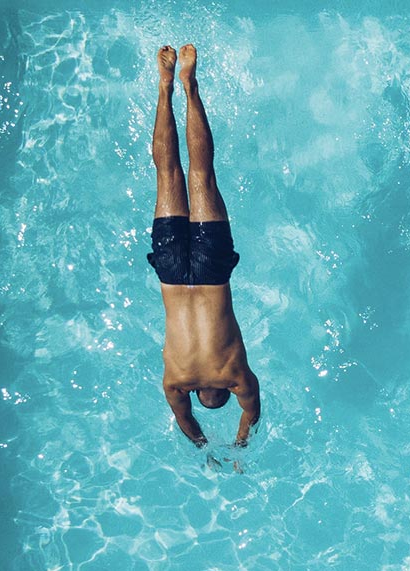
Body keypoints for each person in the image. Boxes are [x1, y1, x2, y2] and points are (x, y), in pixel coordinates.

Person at [148, 44, 260, 447]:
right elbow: (184, 420)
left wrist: (240, 442)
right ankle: (164, 88)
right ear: (198, 393)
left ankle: (188, 85)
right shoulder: (176, 381)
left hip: (212, 272)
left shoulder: (235, 375)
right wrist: (204, 446)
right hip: (171, 273)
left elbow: (252, 410)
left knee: (202, 173)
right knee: (167, 175)